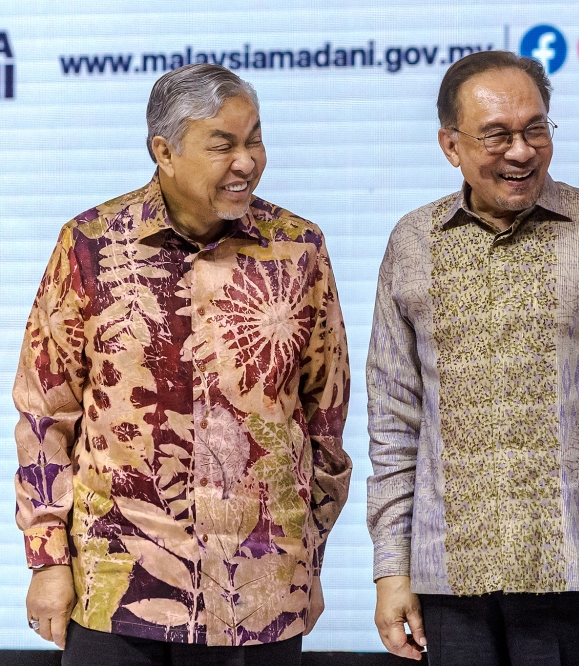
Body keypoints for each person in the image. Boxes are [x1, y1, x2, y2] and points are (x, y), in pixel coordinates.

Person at [13, 63, 351, 665]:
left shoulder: (298, 248)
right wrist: (48, 561)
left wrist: (308, 553)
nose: (246, 161)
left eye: (254, 141)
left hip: (260, 591)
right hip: (115, 587)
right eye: (223, 145)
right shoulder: (90, 244)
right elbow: (46, 413)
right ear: (164, 151)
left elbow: (325, 414)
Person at [366, 50, 579, 665]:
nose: (521, 152)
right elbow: (393, 421)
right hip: (449, 577)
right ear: (451, 144)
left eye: (535, 129)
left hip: (577, 573)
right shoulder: (412, 242)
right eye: (496, 135)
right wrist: (391, 568)